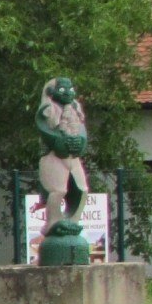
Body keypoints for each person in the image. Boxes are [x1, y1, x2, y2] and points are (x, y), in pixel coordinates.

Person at [35, 77, 88, 234]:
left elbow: (82, 130)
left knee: (82, 189)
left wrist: (80, 142)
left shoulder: (75, 109)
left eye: (70, 90)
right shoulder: (49, 109)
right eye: (63, 91)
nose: (67, 94)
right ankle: (53, 222)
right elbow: (44, 129)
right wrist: (60, 142)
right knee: (58, 190)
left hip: (73, 157)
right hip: (54, 156)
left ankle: (73, 220)